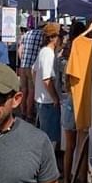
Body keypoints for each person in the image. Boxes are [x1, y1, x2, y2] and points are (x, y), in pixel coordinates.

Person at [54, 22, 84, 183]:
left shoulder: (62, 54)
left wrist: (59, 97)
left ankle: (66, 179)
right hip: (79, 99)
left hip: (66, 100)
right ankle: (80, 181)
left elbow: (58, 81)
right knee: (81, 144)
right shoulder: (83, 50)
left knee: (70, 145)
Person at [33, 23, 62, 153]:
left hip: (42, 99)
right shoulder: (49, 53)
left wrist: (37, 89)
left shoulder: (43, 51)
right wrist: (55, 98)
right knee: (50, 138)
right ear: (54, 37)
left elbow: (34, 71)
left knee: (45, 134)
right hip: (48, 102)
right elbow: (46, 79)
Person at [18, 24, 44, 122]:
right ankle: (29, 114)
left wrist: (23, 60)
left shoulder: (27, 34)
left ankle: (22, 112)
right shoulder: (42, 35)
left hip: (23, 65)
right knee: (31, 90)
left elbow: (20, 50)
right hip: (32, 66)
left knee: (23, 89)